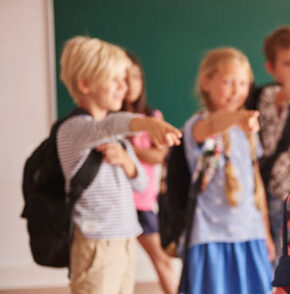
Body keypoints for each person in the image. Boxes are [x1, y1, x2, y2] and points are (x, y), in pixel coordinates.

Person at [57, 36, 181, 294]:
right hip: (95, 244)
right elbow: (107, 125)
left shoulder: (117, 139)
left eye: (124, 80)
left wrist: (127, 161)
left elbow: (142, 182)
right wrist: (148, 123)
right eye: (114, 79)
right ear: (85, 84)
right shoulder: (74, 129)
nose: (122, 87)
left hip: (123, 238)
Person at [178, 47, 274, 294]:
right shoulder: (197, 125)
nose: (236, 90)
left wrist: (266, 234)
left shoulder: (246, 130)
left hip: (250, 234)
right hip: (211, 237)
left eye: (243, 83)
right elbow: (212, 126)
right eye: (228, 82)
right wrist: (237, 118)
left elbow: (256, 185)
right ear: (206, 83)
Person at [246, 26, 290, 264]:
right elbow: (283, 93)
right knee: (279, 261)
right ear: (271, 68)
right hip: (278, 195)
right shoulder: (272, 94)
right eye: (288, 64)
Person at [121, 50, 177, 294]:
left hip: (143, 202)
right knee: (120, 265)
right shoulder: (108, 119)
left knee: (162, 259)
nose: (130, 83)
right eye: (123, 77)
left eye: (135, 76)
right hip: (117, 202)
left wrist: (127, 150)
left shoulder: (153, 117)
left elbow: (160, 155)